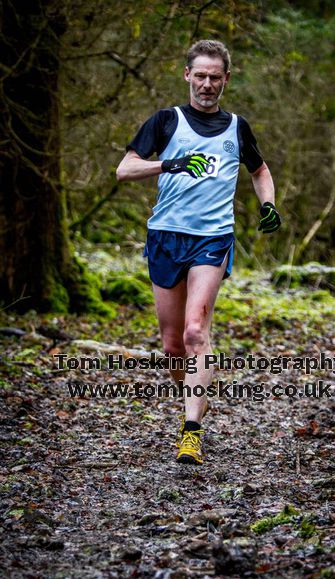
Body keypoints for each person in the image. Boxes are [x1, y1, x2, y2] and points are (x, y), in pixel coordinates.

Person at [116, 40, 281, 465]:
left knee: (195, 333)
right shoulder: (165, 121)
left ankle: (191, 432)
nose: (207, 84)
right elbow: (125, 169)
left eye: (215, 77)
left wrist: (268, 205)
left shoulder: (236, 127)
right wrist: (167, 164)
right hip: (166, 237)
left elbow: (259, 170)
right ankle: (194, 393)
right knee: (172, 346)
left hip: (212, 237)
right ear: (187, 74)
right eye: (200, 75)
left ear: (226, 79)